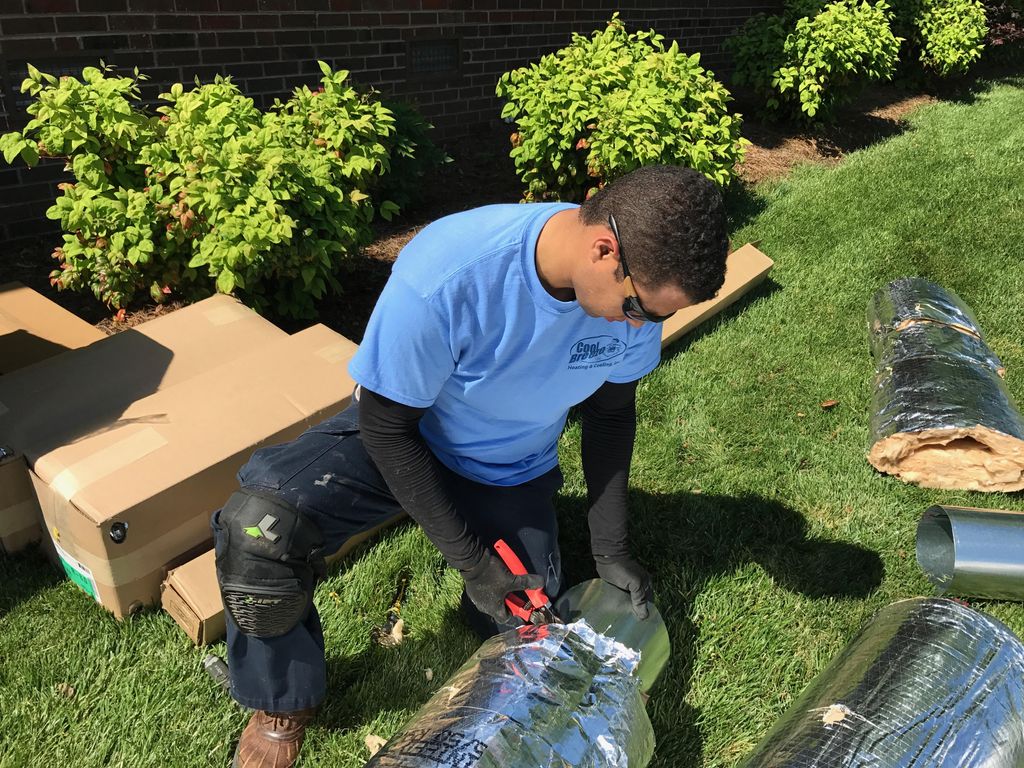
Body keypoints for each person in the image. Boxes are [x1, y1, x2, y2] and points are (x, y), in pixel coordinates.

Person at [213, 164, 729, 768]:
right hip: (408, 436)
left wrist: (610, 548)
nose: (641, 324)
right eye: (638, 306)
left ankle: (483, 595)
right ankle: (282, 699)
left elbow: (612, 416)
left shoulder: (637, 294)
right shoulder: (449, 272)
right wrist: (474, 561)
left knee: (537, 640)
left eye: (658, 316)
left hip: (510, 463)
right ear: (603, 250)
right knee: (258, 529)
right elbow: (386, 427)